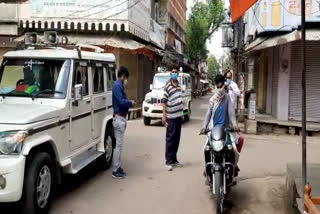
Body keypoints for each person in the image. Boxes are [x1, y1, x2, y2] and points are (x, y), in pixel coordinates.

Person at [112, 66, 136, 179]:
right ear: (123, 76)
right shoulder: (117, 86)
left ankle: (118, 166)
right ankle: (115, 170)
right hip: (119, 118)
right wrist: (130, 102)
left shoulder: (119, 86)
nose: (126, 80)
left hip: (121, 118)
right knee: (118, 146)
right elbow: (121, 102)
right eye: (126, 78)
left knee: (120, 146)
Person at [162, 68, 184, 171]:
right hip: (171, 117)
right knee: (170, 139)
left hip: (178, 116)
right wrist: (164, 115)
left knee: (176, 139)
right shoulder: (167, 86)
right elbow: (164, 100)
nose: (174, 73)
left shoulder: (179, 85)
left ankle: (174, 160)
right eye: (173, 72)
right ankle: (168, 161)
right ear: (170, 74)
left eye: (176, 72)